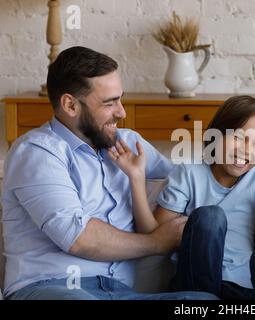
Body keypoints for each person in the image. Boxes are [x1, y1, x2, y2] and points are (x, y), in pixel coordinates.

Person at [1, 46, 216, 300]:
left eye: (120, 99)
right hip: (51, 288)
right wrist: (157, 242)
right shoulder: (37, 152)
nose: (122, 112)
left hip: (121, 294)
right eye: (109, 102)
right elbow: (78, 238)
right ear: (70, 104)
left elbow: (188, 180)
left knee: (202, 303)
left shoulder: (126, 142)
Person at [109, 95, 255, 299]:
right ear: (215, 135)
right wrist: (137, 178)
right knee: (210, 216)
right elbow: (154, 234)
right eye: (239, 137)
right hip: (196, 285)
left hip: (246, 290)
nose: (246, 150)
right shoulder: (189, 173)